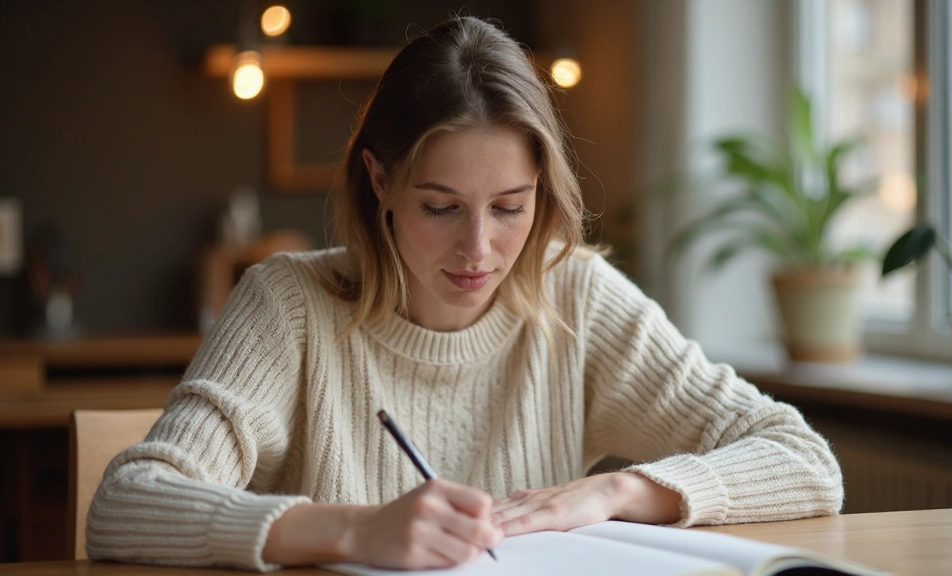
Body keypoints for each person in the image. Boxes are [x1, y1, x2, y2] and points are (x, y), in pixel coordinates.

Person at [87, 15, 842, 572]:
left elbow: (805, 459)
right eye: (441, 207)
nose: (479, 251)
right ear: (380, 181)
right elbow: (124, 506)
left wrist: (615, 491)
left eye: (511, 207)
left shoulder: (572, 294)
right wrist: (352, 531)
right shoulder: (289, 307)